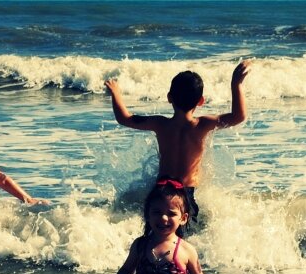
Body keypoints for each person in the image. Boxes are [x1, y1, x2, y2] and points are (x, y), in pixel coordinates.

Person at [104, 60, 251, 228]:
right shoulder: (202, 125)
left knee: (153, 235)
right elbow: (238, 116)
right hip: (184, 194)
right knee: (184, 240)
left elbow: (125, 118)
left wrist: (115, 93)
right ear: (201, 101)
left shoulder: (160, 124)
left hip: (160, 191)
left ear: (169, 97)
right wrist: (236, 83)